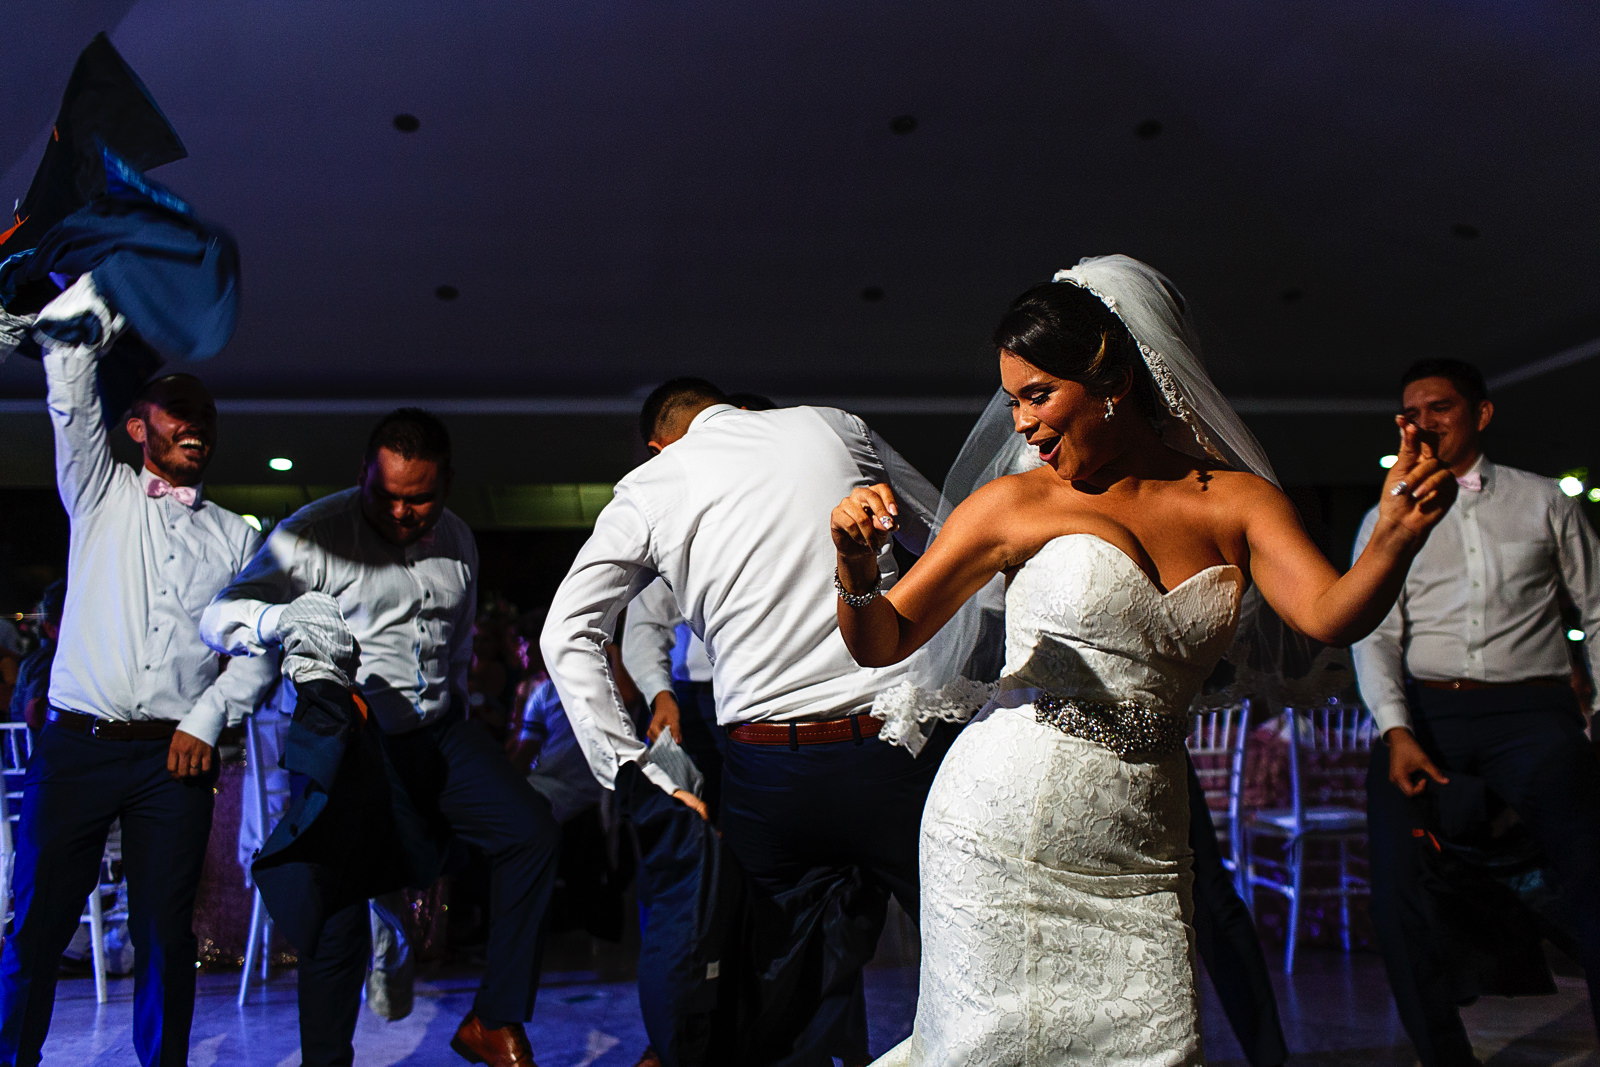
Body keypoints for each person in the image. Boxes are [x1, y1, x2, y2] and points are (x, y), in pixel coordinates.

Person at [828, 255, 1455, 1066]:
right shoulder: (1011, 505)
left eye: (1040, 394)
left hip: (1146, 844)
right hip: (999, 825)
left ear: (1114, 378)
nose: (1020, 423)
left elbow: (1330, 615)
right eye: (1013, 399)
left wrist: (1399, 537)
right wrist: (854, 568)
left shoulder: (1237, 502)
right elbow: (882, 639)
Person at [541, 377, 946, 1066]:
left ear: (658, 441)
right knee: (971, 952)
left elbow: (566, 631)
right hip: (894, 748)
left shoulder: (653, 483)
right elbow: (945, 537)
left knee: (772, 996)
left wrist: (631, 771)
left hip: (770, 772)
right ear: (735, 410)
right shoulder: (833, 424)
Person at [198, 408, 561, 1067]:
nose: (400, 512)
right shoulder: (309, 536)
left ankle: (494, 1016)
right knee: (334, 916)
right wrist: (282, 617)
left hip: (438, 731)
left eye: (417, 498)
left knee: (531, 829)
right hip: (351, 742)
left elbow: (454, 649)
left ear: (446, 484)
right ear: (364, 473)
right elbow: (218, 615)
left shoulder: (458, 540)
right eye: (385, 494)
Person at [0, 276, 276, 1067]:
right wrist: (76, 330)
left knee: (165, 935)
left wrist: (207, 716)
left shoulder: (234, 536)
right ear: (135, 425)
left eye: (206, 415)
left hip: (171, 758)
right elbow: (69, 406)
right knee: (37, 925)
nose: (196, 424)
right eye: (177, 410)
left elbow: (259, 647)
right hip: (76, 747)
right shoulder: (97, 489)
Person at [1352, 358, 1600, 1066]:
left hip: (1535, 711)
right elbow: (1377, 632)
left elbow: (1599, 607)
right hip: (1426, 715)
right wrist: (1396, 729)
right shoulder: (1384, 511)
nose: (1424, 422)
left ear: (1480, 414)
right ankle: (1444, 1056)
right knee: (1396, 886)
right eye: (1412, 411)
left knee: (1588, 870)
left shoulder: (1546, 500)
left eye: (1440, 407)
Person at [7, 581, 67, 733]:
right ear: (50, 628)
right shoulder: (51, 660)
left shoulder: (41, 657)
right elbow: (34, 711)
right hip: (37, 750)